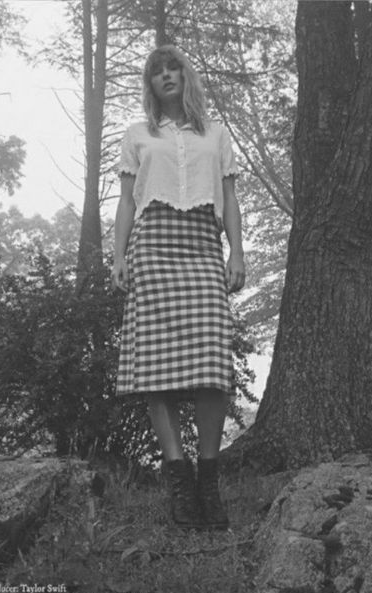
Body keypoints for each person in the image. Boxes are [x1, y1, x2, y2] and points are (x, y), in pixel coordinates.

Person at [112, 44, 245, 530]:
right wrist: (118, 255)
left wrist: (238, 251)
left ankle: (208, 478)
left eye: (173, 69)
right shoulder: (137, 135)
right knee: (153, 365)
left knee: (212, 362)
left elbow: (229, 197)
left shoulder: (217, 135)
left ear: (186, 77)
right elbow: (127, 201)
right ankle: (179, 485)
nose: (165, 76)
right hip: (152, 249)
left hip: (202, 248)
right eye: (156, 72)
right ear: (149, 85)